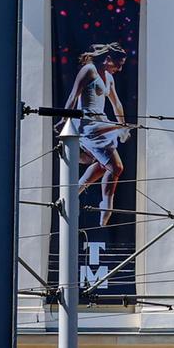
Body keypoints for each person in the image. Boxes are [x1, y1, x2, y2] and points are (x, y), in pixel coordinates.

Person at [64, 42, 130, 228]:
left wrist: (123, 125)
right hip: (89, 124)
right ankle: (106, 206)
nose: (120, 68)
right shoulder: (89, 70)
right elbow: (73, 97)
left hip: (102, 122)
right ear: (108, 59)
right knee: (116, 167)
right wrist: (64, 119)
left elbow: (116, 104)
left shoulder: (109, 77)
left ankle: (74, 191)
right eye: (119, 64)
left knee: (103, 166)